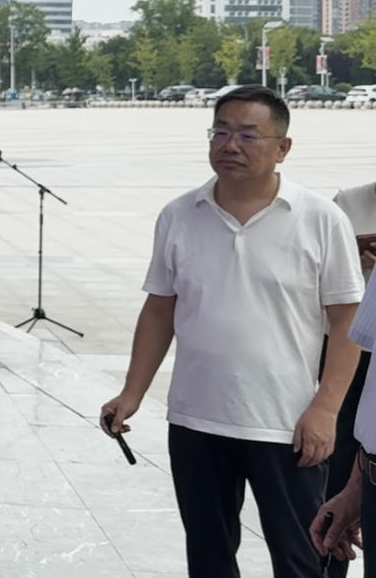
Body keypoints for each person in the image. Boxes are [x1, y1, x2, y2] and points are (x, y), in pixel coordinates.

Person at [100, 85, 364, 578]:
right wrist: (132, 392)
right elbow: (160, 309)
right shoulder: (179, 215)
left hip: (287, 423)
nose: (230, 145)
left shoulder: (320, 219)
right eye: (220, 132)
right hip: (196, 420)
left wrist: (326, 409)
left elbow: (348, 321)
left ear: (283, 148)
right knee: (208, 556)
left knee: (301, 557)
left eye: (247, 135)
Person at [309, 179, 376, 573]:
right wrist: (355, 253)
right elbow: (317, 264)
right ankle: (329, 563)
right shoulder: (348, 202)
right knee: (343, 456)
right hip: (349, 347)